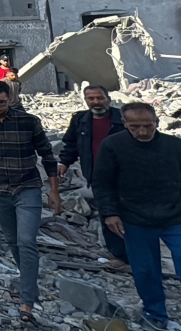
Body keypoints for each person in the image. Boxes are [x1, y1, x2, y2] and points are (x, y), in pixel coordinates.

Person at [0, 79, 60, 326]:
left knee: (26, 241)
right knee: (12, 240)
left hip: (27, 186)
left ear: (10, 99)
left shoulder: (29, 122)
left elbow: (47, 155)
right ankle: (29, 280)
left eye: (0, 102)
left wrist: (54, 191)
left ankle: (26, 301)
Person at [93, 102, 181, 330]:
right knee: (146, 270)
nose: (142, 131)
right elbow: (102, 183)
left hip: (175, 216)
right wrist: (110, 213)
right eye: (135, 127)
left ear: (157, 123)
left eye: (147, 126)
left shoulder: (174, 146)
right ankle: (155, 314)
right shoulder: (112, 146)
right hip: (133, 218)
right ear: (124, 124)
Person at [58, 85, 128, 269]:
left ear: (108, 98)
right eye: (91, 99)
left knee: (130, 215)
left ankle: (139, 253)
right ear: (86, 100)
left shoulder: (123, 118)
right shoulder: (80, 120)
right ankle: (120, 256)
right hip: (97, 177)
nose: (96, 102)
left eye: (99, 98)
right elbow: (71, 145)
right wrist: (64, 164)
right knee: (107, 215)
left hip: (125, 176)